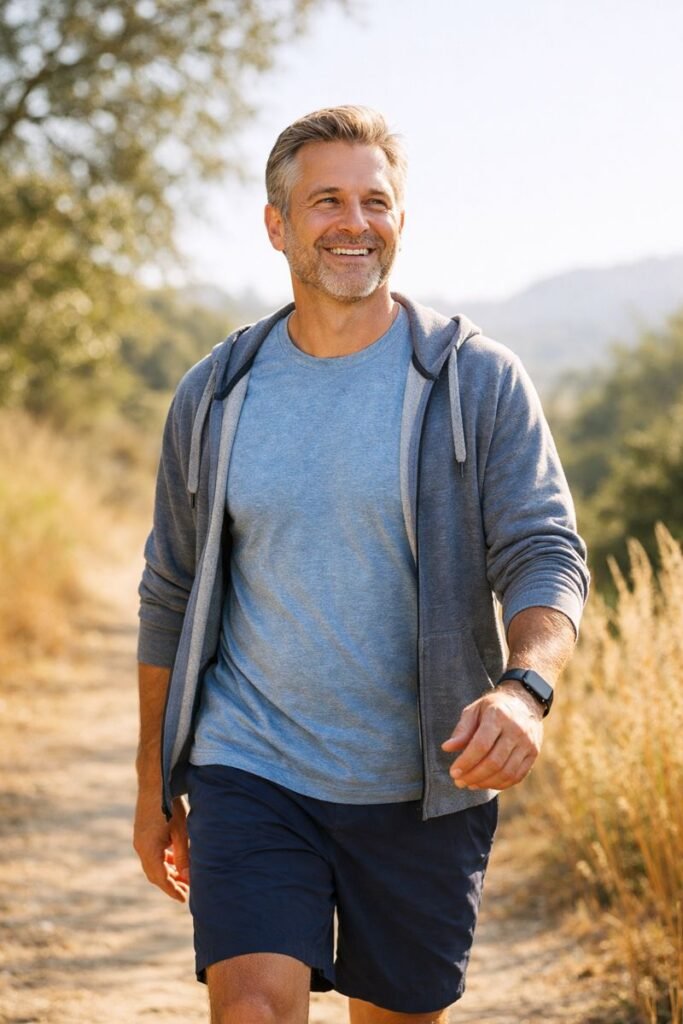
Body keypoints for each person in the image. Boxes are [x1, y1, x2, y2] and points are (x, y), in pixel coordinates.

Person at [133, 105, 589, 1024]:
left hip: (421, 783)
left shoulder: (474, 379)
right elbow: (170, 592)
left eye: (375, 201)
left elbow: (544, 550)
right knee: (251, 1008)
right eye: (326, 201)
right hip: (249, 766)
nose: (355, 222)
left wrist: (523, 689)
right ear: (277, 225)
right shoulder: (216, 393)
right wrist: (154, 784)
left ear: (400, 220)